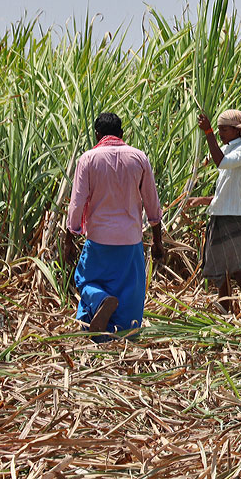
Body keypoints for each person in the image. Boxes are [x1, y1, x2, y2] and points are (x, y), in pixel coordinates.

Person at [65, 112, 164, 335]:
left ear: (97, 135)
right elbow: (152, 203)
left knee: (86, 280)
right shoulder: (138, 158)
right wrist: (158, 241)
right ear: (121, 134)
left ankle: (101, 300)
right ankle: (125, 335)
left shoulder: (88, 159)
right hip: (130, 239)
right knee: (130, 290)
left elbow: (77, 201)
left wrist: (69, 237)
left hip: (99, 238)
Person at [188, 109, 241, 314]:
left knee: (239, 271)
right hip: (219, 216)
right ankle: (225, 311)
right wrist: (202, 200)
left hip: (233, 217)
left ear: (238, 130)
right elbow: (226, 190)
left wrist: (208, 132)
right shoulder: (228, 149)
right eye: (219, 129)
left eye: (224, 129)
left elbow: (220, 162)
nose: (221, 133)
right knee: (220, 270)